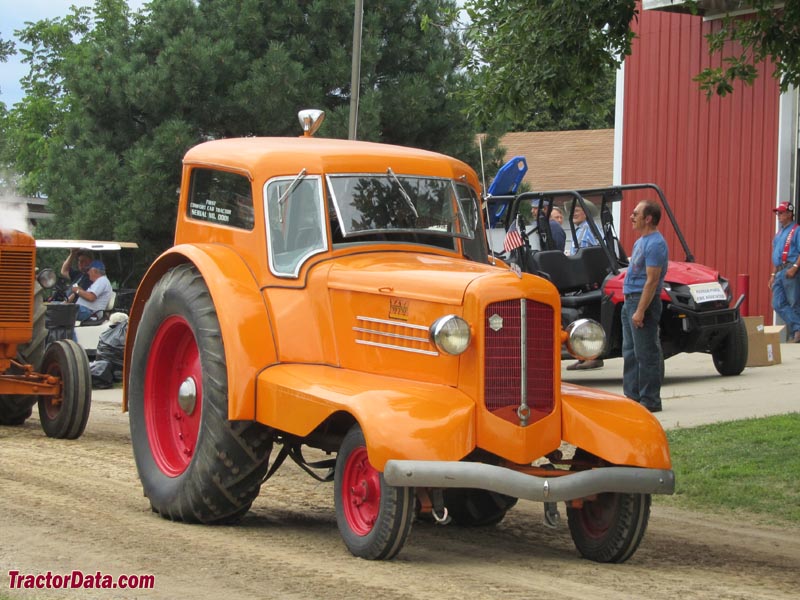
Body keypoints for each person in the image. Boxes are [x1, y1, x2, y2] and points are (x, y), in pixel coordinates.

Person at [621, 200, 669, 413]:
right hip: (629, 300)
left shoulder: (656, 244)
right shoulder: (641, 241)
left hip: (643, 302)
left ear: (648, 218)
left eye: (636, 213)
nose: (632, 217)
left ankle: (650, 400)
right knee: (630, 351)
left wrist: (640, 310)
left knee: (646, 353)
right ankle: (632, 397)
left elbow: (652, 280)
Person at [566, 203, 604, 370]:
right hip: (582, 276)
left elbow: (587, 253)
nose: (574, 213)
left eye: (578, 210)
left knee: (590, 315)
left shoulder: (588, 229)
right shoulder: (582, 229)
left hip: (589, 277)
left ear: (587, 213)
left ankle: (593, 355)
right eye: (573, 211)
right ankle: (583, 355)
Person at [769, 202, 800, 343]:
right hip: (780, 272)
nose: (779, 216)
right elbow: (776, 257)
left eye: (781, 213)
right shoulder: (779, 234)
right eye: (778, 213)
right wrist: (772, 275)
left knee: (794, 303)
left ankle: (797, 332)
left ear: (789, 214)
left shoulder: (796, 230)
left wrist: (794, 267)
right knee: (777, 303)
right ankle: (798, 328)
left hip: (790, 270)